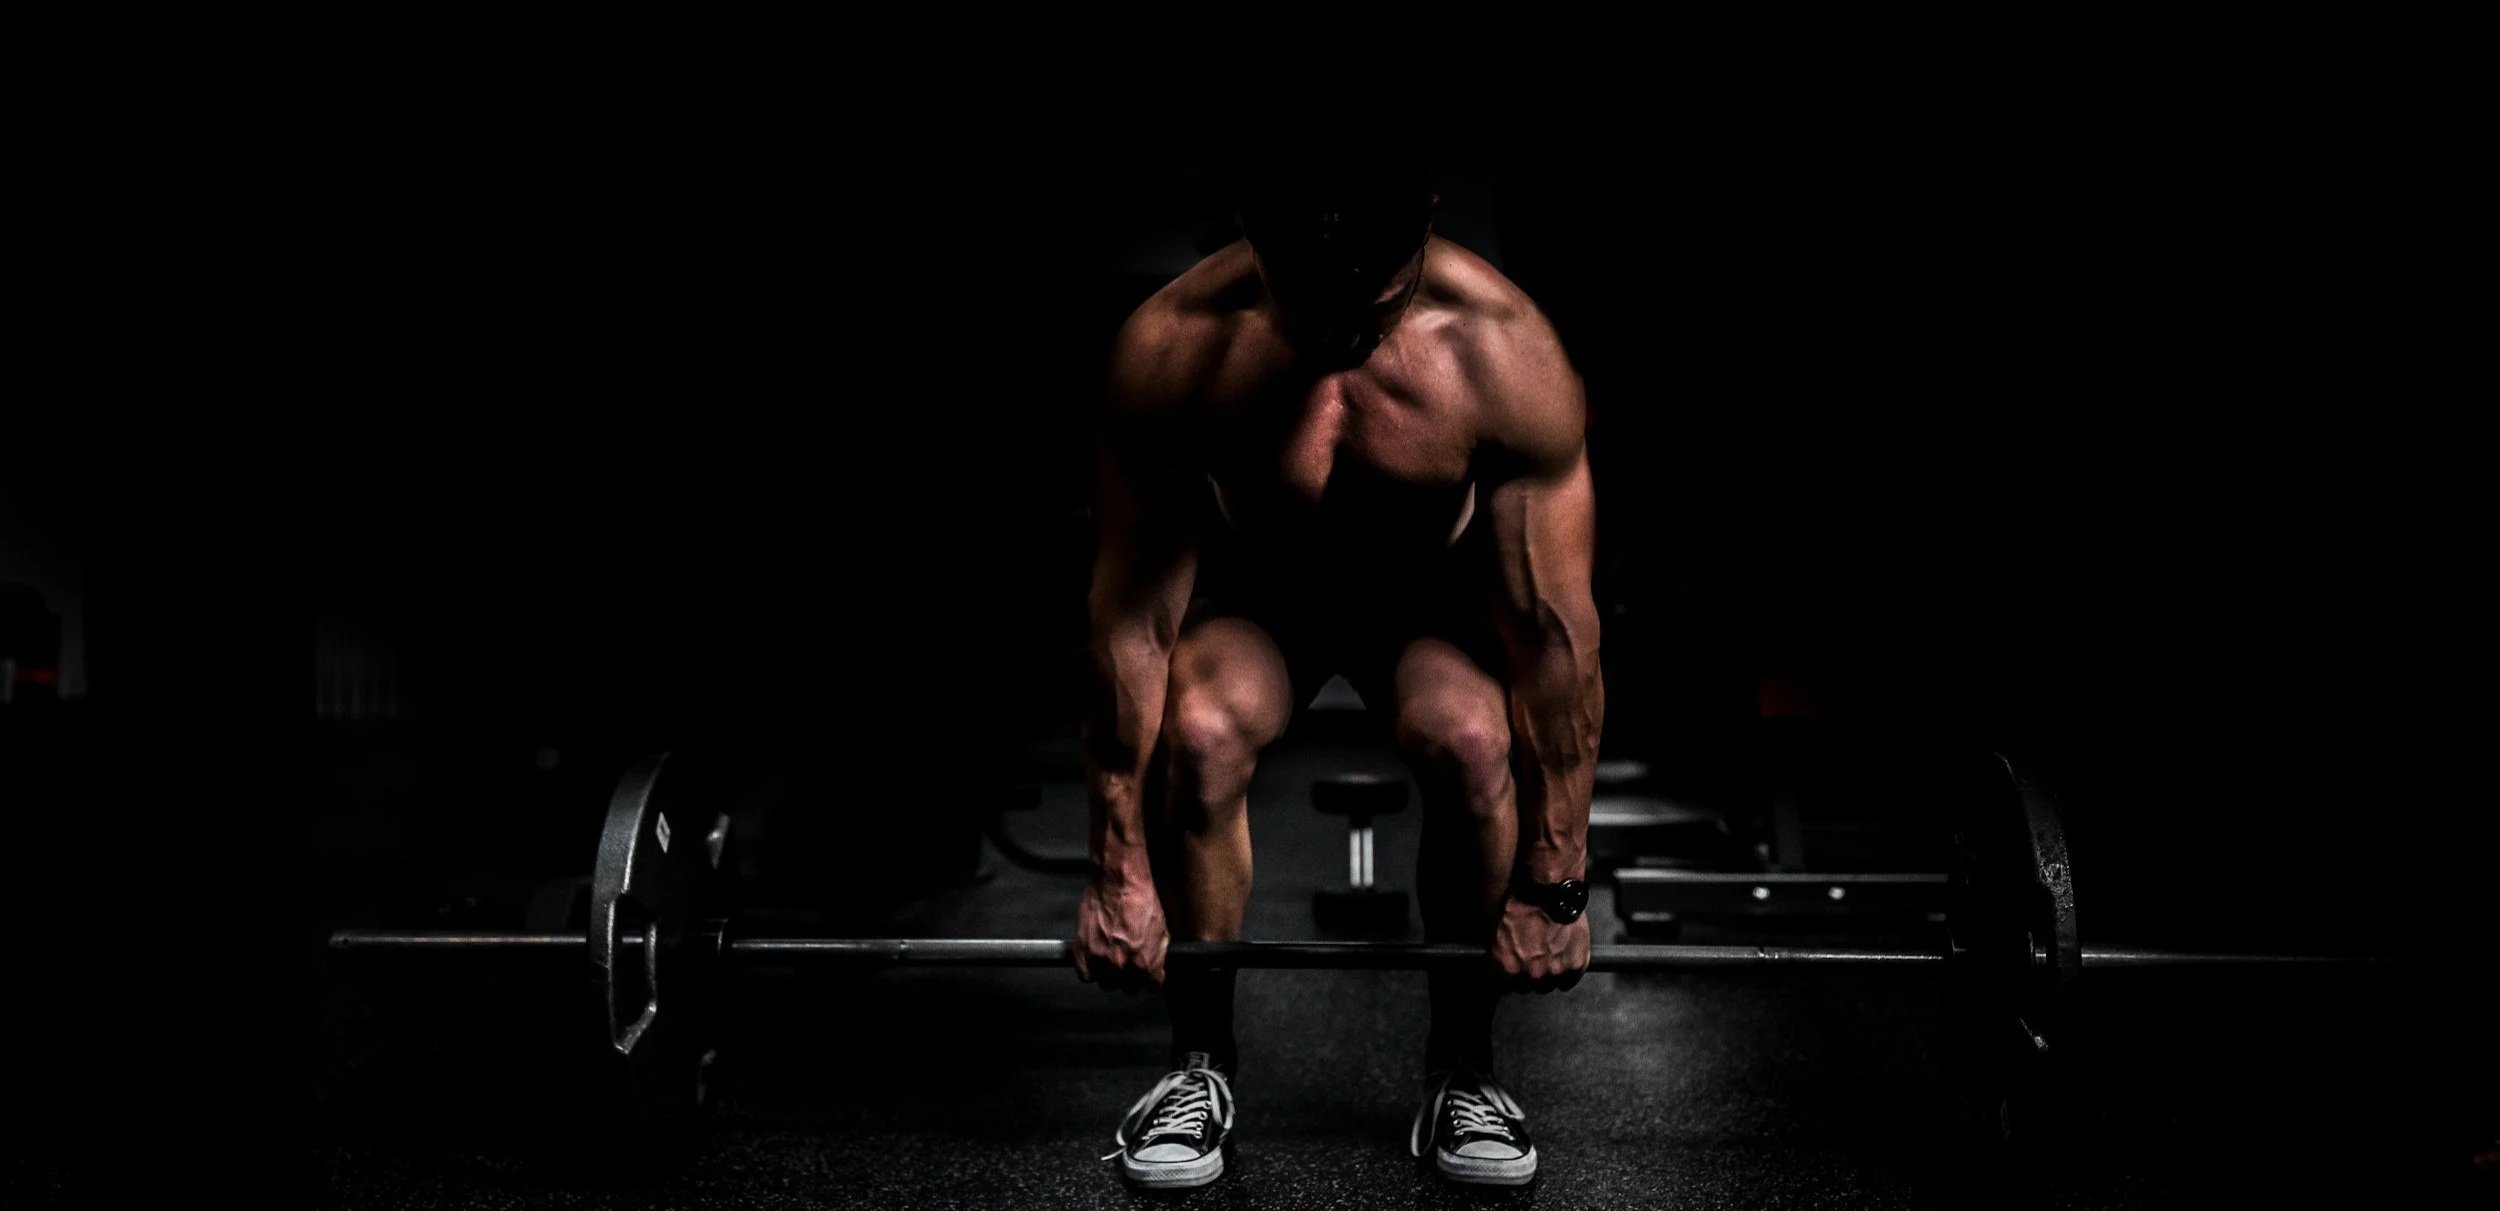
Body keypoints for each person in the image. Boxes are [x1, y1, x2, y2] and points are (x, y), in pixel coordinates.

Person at [1074, 154, 1603, 1188]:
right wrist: (1114, 866)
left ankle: (1462, 1067)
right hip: (1262, 600)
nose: (1339, 335)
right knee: (1198, 727)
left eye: (1373, 301)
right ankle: (1198, 1065)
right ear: (1247, 228)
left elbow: (1551, 637)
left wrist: (1555, 881)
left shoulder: (1503, 352)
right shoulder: (1174, 345)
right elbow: (1131, 619)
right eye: (1307, 302)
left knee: (1472, 739)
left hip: (1430, 606)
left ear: (1426, 219)